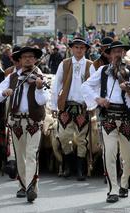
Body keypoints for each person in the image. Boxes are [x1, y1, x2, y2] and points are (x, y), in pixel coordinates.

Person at [81, 40, 130, 203]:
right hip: (108, 117)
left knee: (129, 156)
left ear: (124, 54)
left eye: (121, 51)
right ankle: (112, 189)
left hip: (127, 118)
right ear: (109, 54)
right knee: (109, 153)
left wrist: (129, 89)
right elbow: (85, 86)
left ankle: (124, 184)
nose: (118, 54)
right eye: (115, 52)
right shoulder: (102, 71)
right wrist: (98, 99)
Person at [0, 46, 48, 202]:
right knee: (20, 156)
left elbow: (43, 100)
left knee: (31, 155)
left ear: (35, 59)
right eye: (25, 57)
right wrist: (4, 92)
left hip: (33, 121)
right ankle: (22, 185)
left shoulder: (39, 77)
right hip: (16, 121)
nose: (28, 59)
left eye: (31, 57)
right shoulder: (12, 78)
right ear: (20, 60)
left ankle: (31, 187)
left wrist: (38, 88)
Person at [50, 37, 93, 181]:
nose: (79, 50)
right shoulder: (65, 64)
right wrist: (53, 105)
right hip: (66, 105)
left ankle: (80, 168)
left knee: (82, 139)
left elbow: (95, 87)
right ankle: (68, 164)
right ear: (71, 49)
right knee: (63, 136)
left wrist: (93, 105)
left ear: (85, 49)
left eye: (82, 48)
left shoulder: (89, 65)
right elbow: (56, 84)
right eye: (76, 47)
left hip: (82, 107)